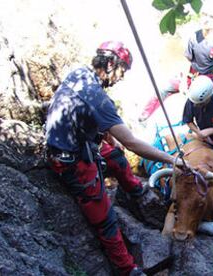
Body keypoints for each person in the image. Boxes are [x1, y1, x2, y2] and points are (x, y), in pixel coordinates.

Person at [45, 41, 185, 276]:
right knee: (106, 219)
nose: (121, 77)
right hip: (71, 161)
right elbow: (132, 142)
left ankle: (135, 190)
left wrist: (111, 141)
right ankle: (127, 269)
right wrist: (172, 160)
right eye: (122, 70)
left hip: (69, 143)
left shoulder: (80, 74)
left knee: (118, 157)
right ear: (111, 64)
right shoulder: (98, 98)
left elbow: (87, 115)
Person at [139, 4, 213, 122]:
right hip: (192, 74)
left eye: (211, 17)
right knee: (164, 89)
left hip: (208, 78)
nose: (206, 19)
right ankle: (144, 116)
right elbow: (187, 60)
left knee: (201, 106)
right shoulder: (193, 37)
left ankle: (206, 130)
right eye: (204, 15)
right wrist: (183, 82)